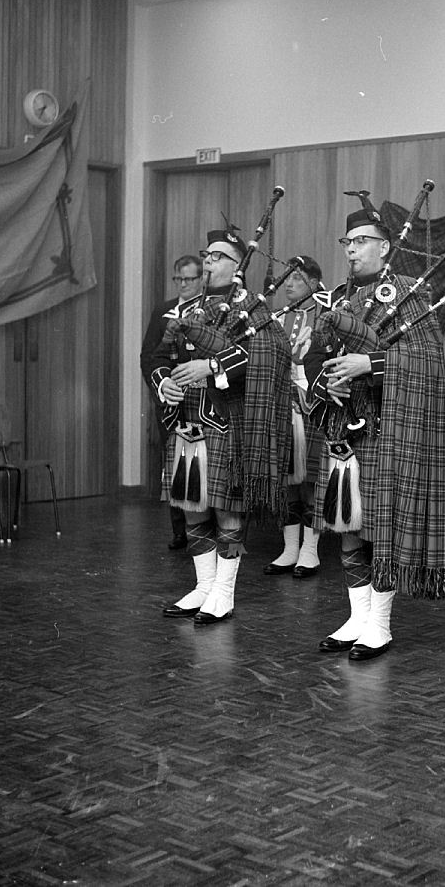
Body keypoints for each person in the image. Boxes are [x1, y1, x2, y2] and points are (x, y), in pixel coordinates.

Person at [302, 195, 445, 660]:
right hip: (343, 428)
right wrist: (327, 382)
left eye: (362, 241)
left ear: (385, 247)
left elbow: (427, 359)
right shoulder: (336, 299)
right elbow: (313, 358)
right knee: (348, 525)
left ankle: (380, 625)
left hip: (389, 429)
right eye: (347, 242)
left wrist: (371, 364)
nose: (352, 249)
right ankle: (357, 617)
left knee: (380, 528)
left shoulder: (409, 292)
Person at [149, 229, 292, 624]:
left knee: (228, 510)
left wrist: (212, 365)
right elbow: (159, 356)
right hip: (185, 421)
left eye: (218, 256)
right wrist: (164, 383)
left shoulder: (254, 308)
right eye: (207, 255)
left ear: (238, 265)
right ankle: (204, 586)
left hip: (226, 420)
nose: (208, 261)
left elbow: (271, 353)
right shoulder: (188, 308)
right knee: (192, 507)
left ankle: (224, 593)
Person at [263, 256, 327, 580]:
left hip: (314, 404)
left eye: (297, 278)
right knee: (286, 478)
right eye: (287, 278)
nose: (288, 283)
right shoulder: (276, 317)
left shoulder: (326, 316)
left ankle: (309, 551)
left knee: (312, 479)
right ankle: (289, 549)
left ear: (314, 283)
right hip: (282, 404)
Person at [139, 254, 203, 551]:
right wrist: (160, 390)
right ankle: (180, 530)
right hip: (169, 401)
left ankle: (203, 527)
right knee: (174, 464)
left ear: (201, 279)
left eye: (189, 279)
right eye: (178, 279)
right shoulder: (163, 310)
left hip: (201, 400)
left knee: (199, 463)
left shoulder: (208, 309)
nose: (183, 284)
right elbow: (149, 356)